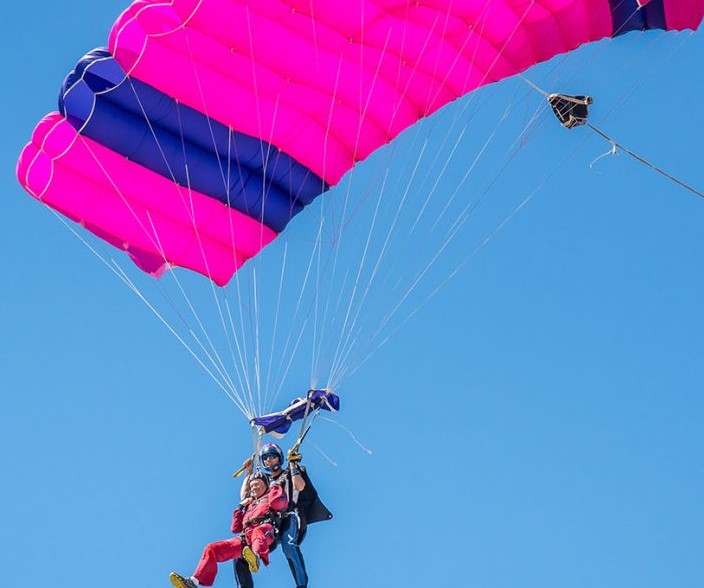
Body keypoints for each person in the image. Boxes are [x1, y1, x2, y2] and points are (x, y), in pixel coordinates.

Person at [235, 443, 332, 588]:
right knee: (240, 553)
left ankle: (301, 585)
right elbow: (246, 496)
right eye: (265, 458)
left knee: (288, 545)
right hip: (270, 522)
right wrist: (248, 474)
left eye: (272, 456)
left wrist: (292, 464)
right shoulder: (265, 481)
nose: (268, 460)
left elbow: (300, 486)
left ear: (279, 458)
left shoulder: (289, 473)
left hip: (288, 516)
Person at [170, 472, 288, 588]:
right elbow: (235, 528)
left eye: (257, 485)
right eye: (252, 486)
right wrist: (240, 507)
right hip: (246, 539)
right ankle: (194, 581)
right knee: (211, 548)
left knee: (258, 531)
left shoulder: (269, 498)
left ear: (266, 486)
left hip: (265, 532)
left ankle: (256, 558)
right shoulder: (250, 504)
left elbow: (278, 502)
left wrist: (274, 486)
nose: (254, 488)